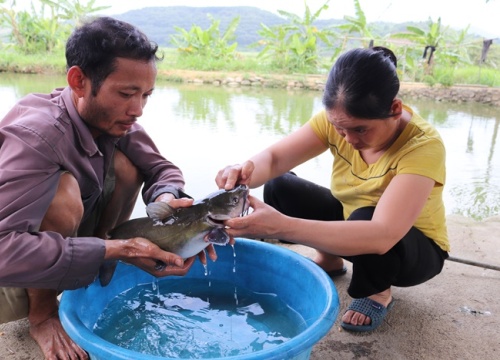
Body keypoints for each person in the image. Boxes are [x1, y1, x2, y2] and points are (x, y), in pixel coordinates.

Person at [0, 17, 218, 359]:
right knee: (63, 194)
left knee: (128, 164)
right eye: (127, 94)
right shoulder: (37, 136)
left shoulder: (112, 117)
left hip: (64, 244)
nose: (138, 110)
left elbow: (160, 168)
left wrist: (166, 197)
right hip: (12, 269)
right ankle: (42, 314)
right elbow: (5, 251)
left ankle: (100, 254)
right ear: (79, 81)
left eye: (146, 95)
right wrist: (120, 250)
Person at [216, 46, 450, 333]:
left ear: (395, 109)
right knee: (281, 185)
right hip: (354, 222)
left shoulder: (423, 146)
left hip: (410, 249)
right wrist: (243, 172)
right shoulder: (337, 121)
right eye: (340, 129)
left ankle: (377, 291)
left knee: (367, 217)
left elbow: (382, 234)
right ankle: (330, 258)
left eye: (360, 129)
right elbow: (275, 159)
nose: (349, 139)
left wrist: (281, 227)